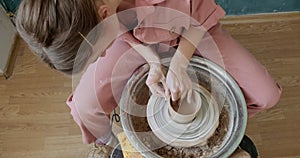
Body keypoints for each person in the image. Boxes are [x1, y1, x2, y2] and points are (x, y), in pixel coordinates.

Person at [16, 0, 282, 157]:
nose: (104, 55)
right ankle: (115, 145)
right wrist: (153, 60)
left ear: (105, 15)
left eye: (99, 51)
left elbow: (200, 12)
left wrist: (179, 62)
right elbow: (119, 30)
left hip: (192, 30)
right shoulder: (80, 9)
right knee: (85, 108)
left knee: (267, 95)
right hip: (135, 39)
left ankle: (208, 130)